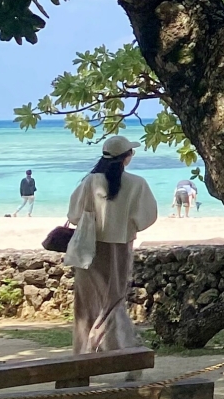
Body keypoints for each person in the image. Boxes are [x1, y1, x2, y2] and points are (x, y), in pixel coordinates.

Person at [64, 135, 158, 359]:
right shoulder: (137, 183)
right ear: (126, 157)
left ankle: (85, 353)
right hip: (120, 246)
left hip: (89, 247)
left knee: (86, 304)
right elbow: (147, 217)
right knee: (113, 302)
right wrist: (125, 224)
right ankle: (124, 350)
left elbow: (74, 215)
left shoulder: (90, 181)